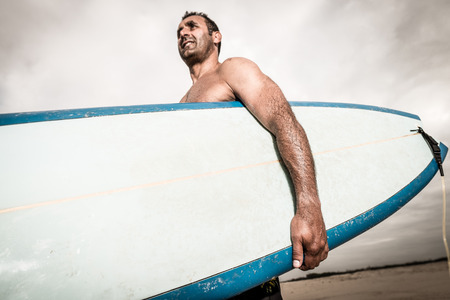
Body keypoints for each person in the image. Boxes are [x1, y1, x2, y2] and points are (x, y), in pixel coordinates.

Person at [177, 11, 329, 299]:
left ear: (216, 36)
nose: (183, 32)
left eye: (192, 26)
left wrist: (308, 207)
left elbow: (284, 122)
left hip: (249, 245)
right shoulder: (181, 102)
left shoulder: (231, 70)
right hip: (208, 252)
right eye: (179, 31)